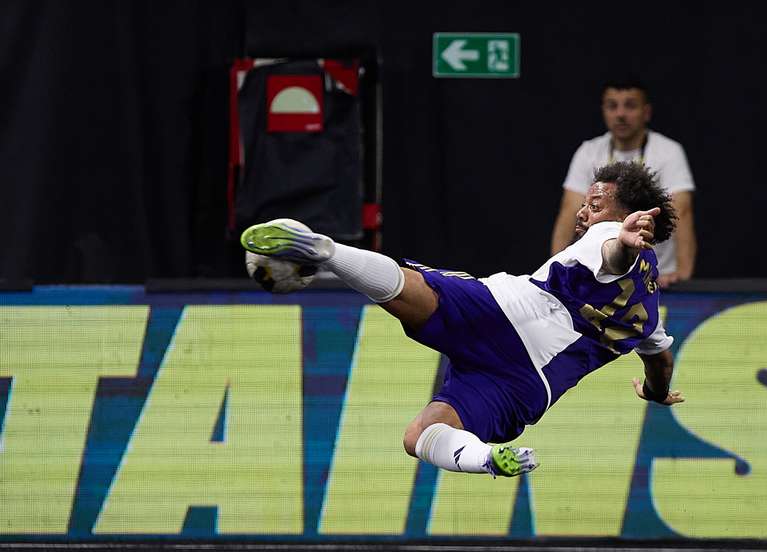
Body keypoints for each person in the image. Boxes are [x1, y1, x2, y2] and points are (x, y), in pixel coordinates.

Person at [242, 161, 684, 479]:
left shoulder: (609, 236)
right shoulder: (650, 310)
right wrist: (655, 392)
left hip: (513, 314)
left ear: (624, 216)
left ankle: (326, 252)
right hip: (529, 385)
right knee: (420, 435)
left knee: (418, 288)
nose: (584, 213)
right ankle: (486, 459)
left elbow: (612, 254)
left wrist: (622, 241)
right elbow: (660, 358)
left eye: (594, 203)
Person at [551, 77, 696, 288]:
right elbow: (569, 212)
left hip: (654, 279)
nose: (620, 114)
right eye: (612, 106)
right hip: (599, 276)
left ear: (646, 112)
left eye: (630, 106)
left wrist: (683, 278)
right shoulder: (588, 152)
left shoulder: (668, 152)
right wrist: (557, 268)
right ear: (604, 111)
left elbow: (682, 211)